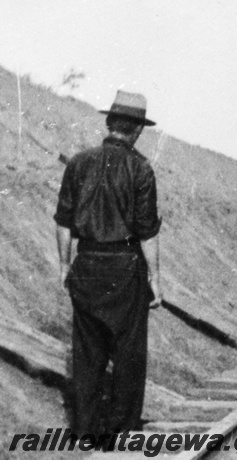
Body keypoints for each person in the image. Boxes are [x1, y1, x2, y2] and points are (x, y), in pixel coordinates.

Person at [54, 90, 162, 437]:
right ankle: (119, 434)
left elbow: (63, 221)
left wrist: (63, 265)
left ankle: (85, 432)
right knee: (128, 354)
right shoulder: (141, 169)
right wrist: (156, 279)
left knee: (86, 354)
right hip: (125, 266)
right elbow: (147, 232)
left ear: (109, 123)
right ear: (137, 130)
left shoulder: (78, 162)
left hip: (86, 263)